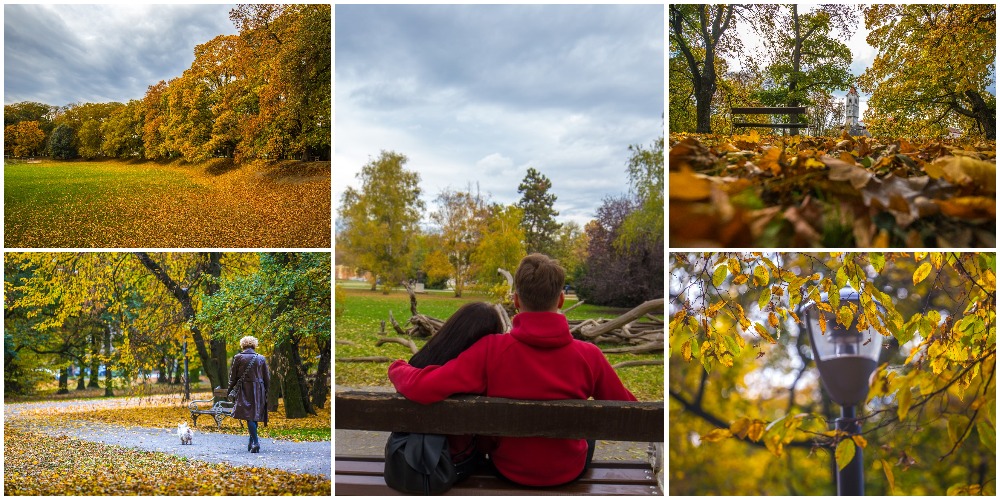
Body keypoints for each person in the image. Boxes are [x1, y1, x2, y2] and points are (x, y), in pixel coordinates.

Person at [388, 253, 636, 487]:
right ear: (560, 299)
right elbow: (630, 413)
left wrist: (398, 367)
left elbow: (423, 386)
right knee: (585, 437)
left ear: (516, 301)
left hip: (509, 470)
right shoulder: (589, 355)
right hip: (568, 471)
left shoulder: (490, 350)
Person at [403, 301, 505, 472]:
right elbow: (486, 443)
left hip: (412, 455)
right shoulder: (475, 375)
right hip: (456, 461)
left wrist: (397, 367)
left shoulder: (421, 363)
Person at [227, 336, 270, 453]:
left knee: (249, 415)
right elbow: (267, 377)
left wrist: (230, 390)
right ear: (254, 345)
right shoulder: (261, 358)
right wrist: (266, 391)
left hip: (245, 389)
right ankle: (251, 442)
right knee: (254, 415)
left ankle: (255, 442)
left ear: (243, 345)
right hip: (259, 389)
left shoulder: (238, 357)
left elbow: (233, 377)